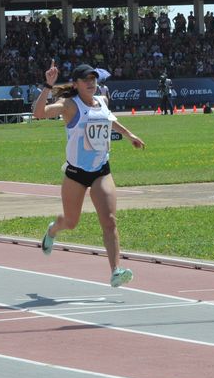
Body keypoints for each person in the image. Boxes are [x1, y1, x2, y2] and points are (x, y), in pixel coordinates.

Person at [33, 61, 145, 288]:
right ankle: (52, 229)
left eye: (93, 79)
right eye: (86, 80)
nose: (91, 83)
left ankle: (115, 271)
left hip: (101, 170)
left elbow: (110, 120)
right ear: (76, 84)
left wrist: (129, 134)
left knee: (110, 221)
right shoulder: (68, 105)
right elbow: (39, 113)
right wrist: (48, 85)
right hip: (76, 173)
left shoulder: (102, 100)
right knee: (71, 222)